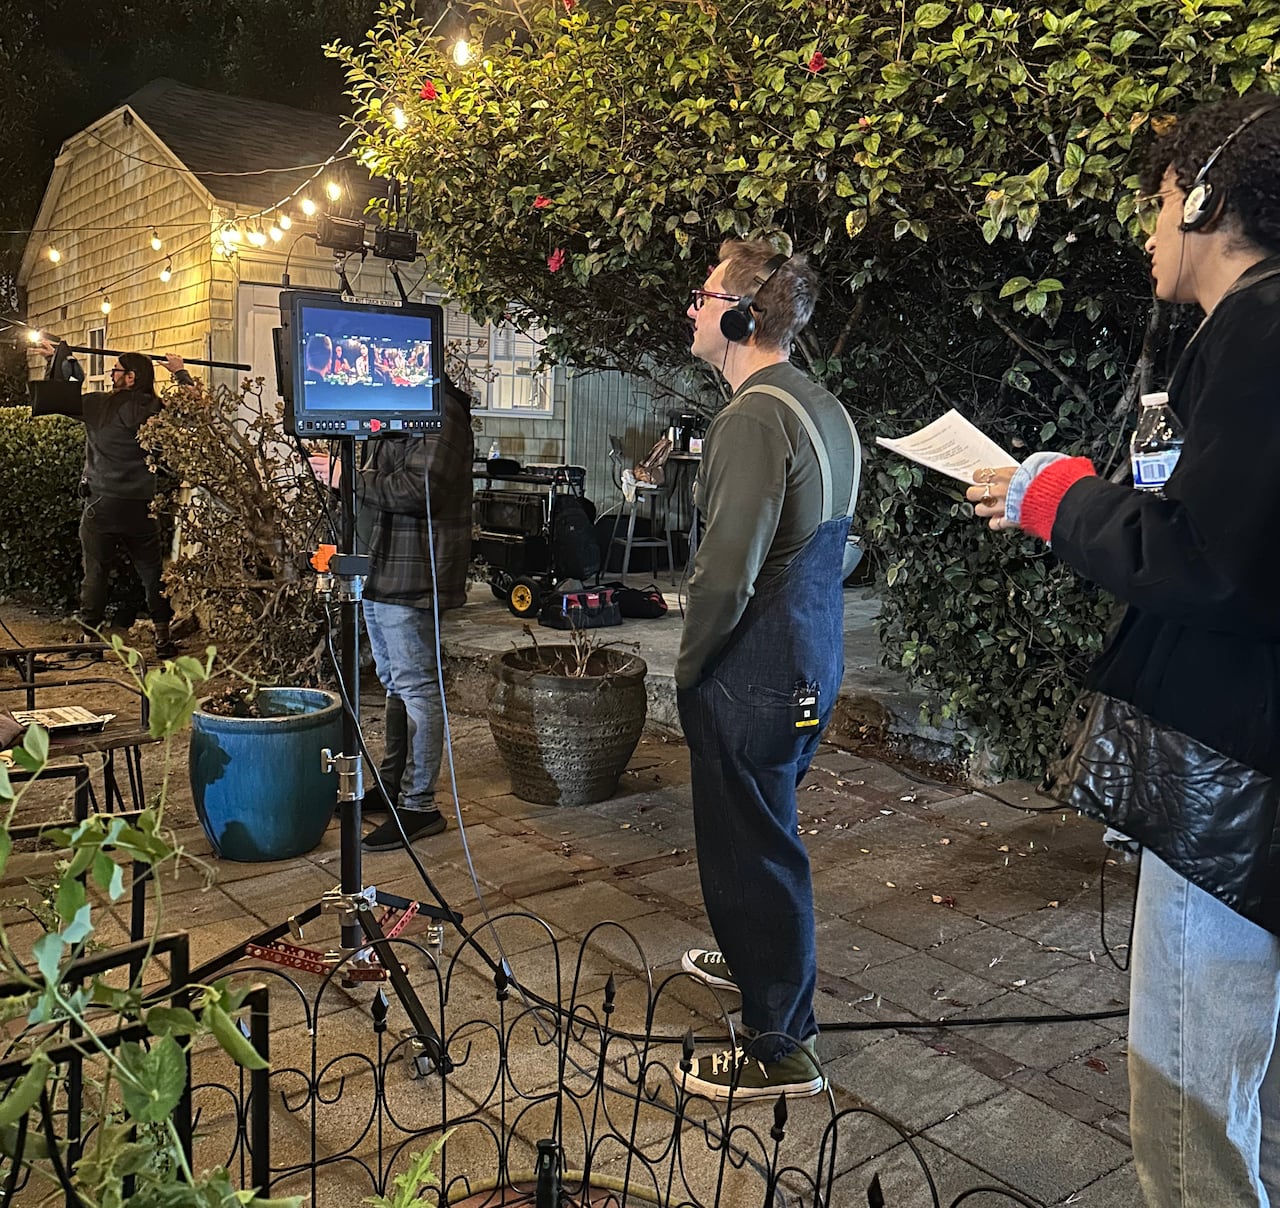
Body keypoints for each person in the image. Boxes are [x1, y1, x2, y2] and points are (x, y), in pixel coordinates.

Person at [967, 97, 1280, 1207]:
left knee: (1192, 1104)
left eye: (1155, 202)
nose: (1147, 231)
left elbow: (1208, 563)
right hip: (1245, 774)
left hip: (1223, 792)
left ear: (1201, 199)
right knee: (1242, 1093)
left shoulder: (1257, 327)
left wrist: (1059, 499)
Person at [674, 239, 861, 1100]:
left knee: (752, 850)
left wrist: (690, 669)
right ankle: (758, 952)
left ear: (742, 318)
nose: (693, 308)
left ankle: (780, 1043)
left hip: (755, 668)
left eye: (705, 296)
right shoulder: (821, 406)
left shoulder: (751, 416)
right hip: (809, 654)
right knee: (766, 827)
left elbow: (725, 571)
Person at [310, 379, 473, 851]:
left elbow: (422, 487)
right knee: (395, 681)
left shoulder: (441, 409)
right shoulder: (398, 408)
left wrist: (348, 478)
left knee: (417, 686)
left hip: (414, 569)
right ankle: (393, 785)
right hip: (381, 568)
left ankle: (420, 806)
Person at [34, 340, 191, 657]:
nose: (111, 374)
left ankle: (91, 641)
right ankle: (162, 638)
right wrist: (180, 372)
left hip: (101, 504)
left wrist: (59, 362)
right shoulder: (156, 411)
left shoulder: (98, 406)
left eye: (116, 370)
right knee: (151, 573)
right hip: (141, 506)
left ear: (131, 377)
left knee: (96, 572)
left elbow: (55, 398)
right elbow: (192, 410)